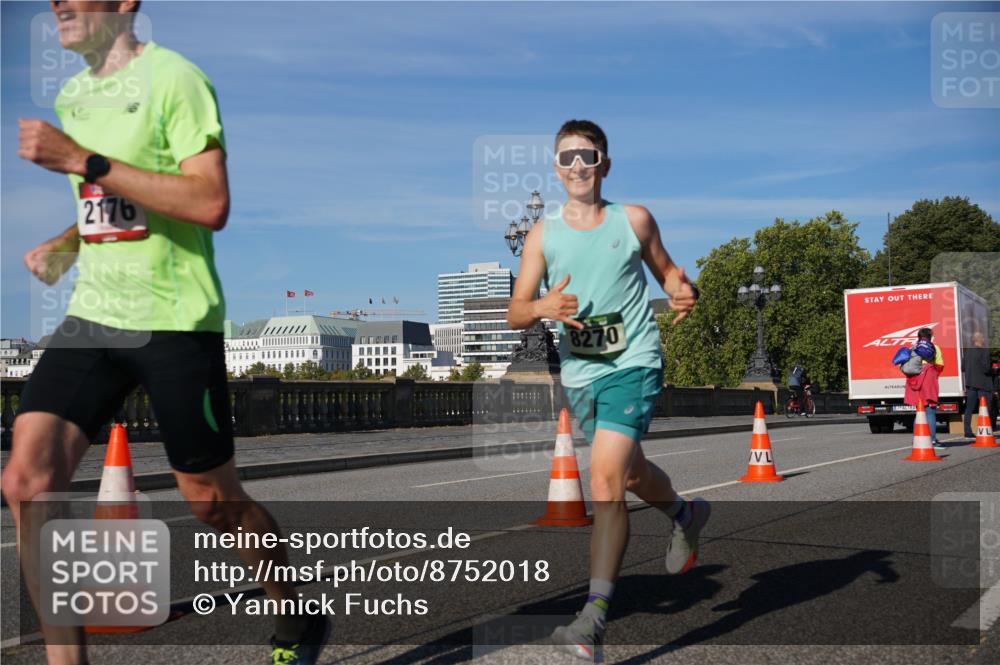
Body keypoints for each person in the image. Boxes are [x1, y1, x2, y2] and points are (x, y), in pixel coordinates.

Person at [4, 3, 328, 664]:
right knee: (27, 481)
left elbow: (208, 202)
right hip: (95, 312)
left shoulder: (175, 79)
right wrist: (66, 243)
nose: (59, 4)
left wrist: (80, 157)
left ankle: (293, 610)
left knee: (212, 501)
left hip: (175, 317)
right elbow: (106, 201)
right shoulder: (74, 94)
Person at [507, 119, 709, 661]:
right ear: (556, 167)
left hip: (633, 361)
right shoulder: (542, 234)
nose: (578, 166)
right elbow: (515, 312)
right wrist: (543, 307)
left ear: (605, 164)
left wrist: (681, 292)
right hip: (581, 373)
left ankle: (592, 620)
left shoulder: (634, 220)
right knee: (633, 473)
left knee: (603, 480)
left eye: (588, 157)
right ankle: (687, 517)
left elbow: (668, 275)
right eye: (568, 157)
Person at [903, 327, 944, 448]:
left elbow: (903, 366)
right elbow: (940, 365)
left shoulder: (912, 348)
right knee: (930, 411)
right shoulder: (934, 348)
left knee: (919, 411)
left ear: (918, 337)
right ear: (930, 337)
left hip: (914, 381)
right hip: (928, 380)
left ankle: (918, 438)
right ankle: (931, 440)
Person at [963, 331, 994, 438]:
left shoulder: (967, 352)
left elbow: (963, 367)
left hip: (970, 383)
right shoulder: (984, 351)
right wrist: (994, 370)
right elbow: (986, 368)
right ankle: (986, 429)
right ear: (981, 340)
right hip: (983, 384)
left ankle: (967, 431)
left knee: (969, 409)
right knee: (986, 408)